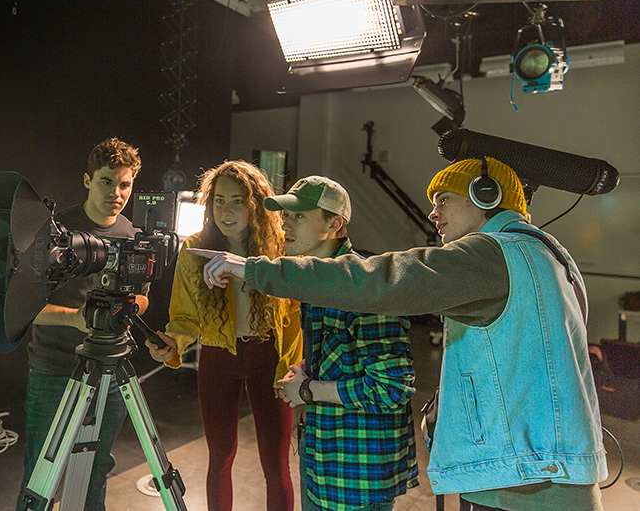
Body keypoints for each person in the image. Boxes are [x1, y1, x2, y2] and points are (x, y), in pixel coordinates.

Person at [190, 157, 607, 511]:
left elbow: (383, 283)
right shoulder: (546, 253)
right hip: (533, 471)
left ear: (485, 196)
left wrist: (255, 269)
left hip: (526, 482)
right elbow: (518, 354)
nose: (433, 212)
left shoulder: (494, 252)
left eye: (443, 199)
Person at [146, 160, 302, 511]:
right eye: (219, 200)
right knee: (219, 457)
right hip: (218, 356)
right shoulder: (195, 249)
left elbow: (294, 315)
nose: (226, 210)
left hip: (270, 357)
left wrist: (293, 366)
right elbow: (184, 315)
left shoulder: (281, 246)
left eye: (237, 201)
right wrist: (174, 342)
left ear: (256, 203)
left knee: (275, 464)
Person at [265, 175, 419, 511]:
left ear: (335, 224)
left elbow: (391, 388)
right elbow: (343, 353)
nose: (286, 226)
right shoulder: (315, 278)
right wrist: (306, 369)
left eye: (300, 216)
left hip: (356, 470)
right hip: (324, 455)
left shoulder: (363, 285)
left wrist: (308, 390)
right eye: (285, 216)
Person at [20, 137, 149, 511]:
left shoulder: (133, 235)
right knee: (40, 477)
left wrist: (128, 308)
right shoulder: (57, 230)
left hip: (109, 371)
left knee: (95, 471)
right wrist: (77, 319)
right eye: (107, 181)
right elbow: (26, 306)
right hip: (55, 369)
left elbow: (142, 296)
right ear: (88, 180)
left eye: (125, 184)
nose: (117, 192)